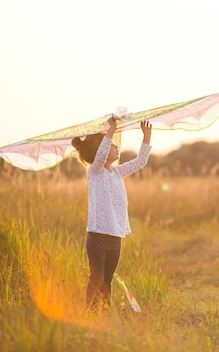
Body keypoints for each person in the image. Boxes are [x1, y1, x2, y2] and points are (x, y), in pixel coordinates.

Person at [71, 117, 152, 312]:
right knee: (96, 277)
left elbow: (140, 162)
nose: (116, 147)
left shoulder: (117, 173)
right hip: (98, 235)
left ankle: (104, 315)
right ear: (102, 151)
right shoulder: (95, 172)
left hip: (115, 236)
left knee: (107, 279)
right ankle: (91, 313)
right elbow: (99, 157)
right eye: (112, 144)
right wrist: (110, 131)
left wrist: (146, 137)